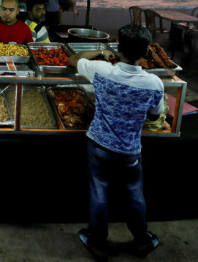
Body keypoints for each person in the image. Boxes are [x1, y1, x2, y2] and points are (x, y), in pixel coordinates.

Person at [68, 24, 163, 261]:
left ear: (118, 47)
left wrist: (100, 52)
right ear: (145, 52)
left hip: (98, 144)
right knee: (134, 193)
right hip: (130, 149)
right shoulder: (153, 83)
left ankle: (97, 242)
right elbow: (154, 114)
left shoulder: (102, 70)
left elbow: (74, 59)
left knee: (99, 192)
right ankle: (141, 240)